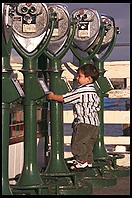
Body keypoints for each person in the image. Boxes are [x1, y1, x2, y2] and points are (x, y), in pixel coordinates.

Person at [47, 63, 100, 170]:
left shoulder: (81, 91)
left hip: (84, 123)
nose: (77, 78)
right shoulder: (94, 91)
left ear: (88, 79)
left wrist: (52, 96)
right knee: (88, 144)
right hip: (94, 123)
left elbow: (65, 98)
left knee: (78, 142)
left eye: (79, 76)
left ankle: (81, 161)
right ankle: (88, 161)